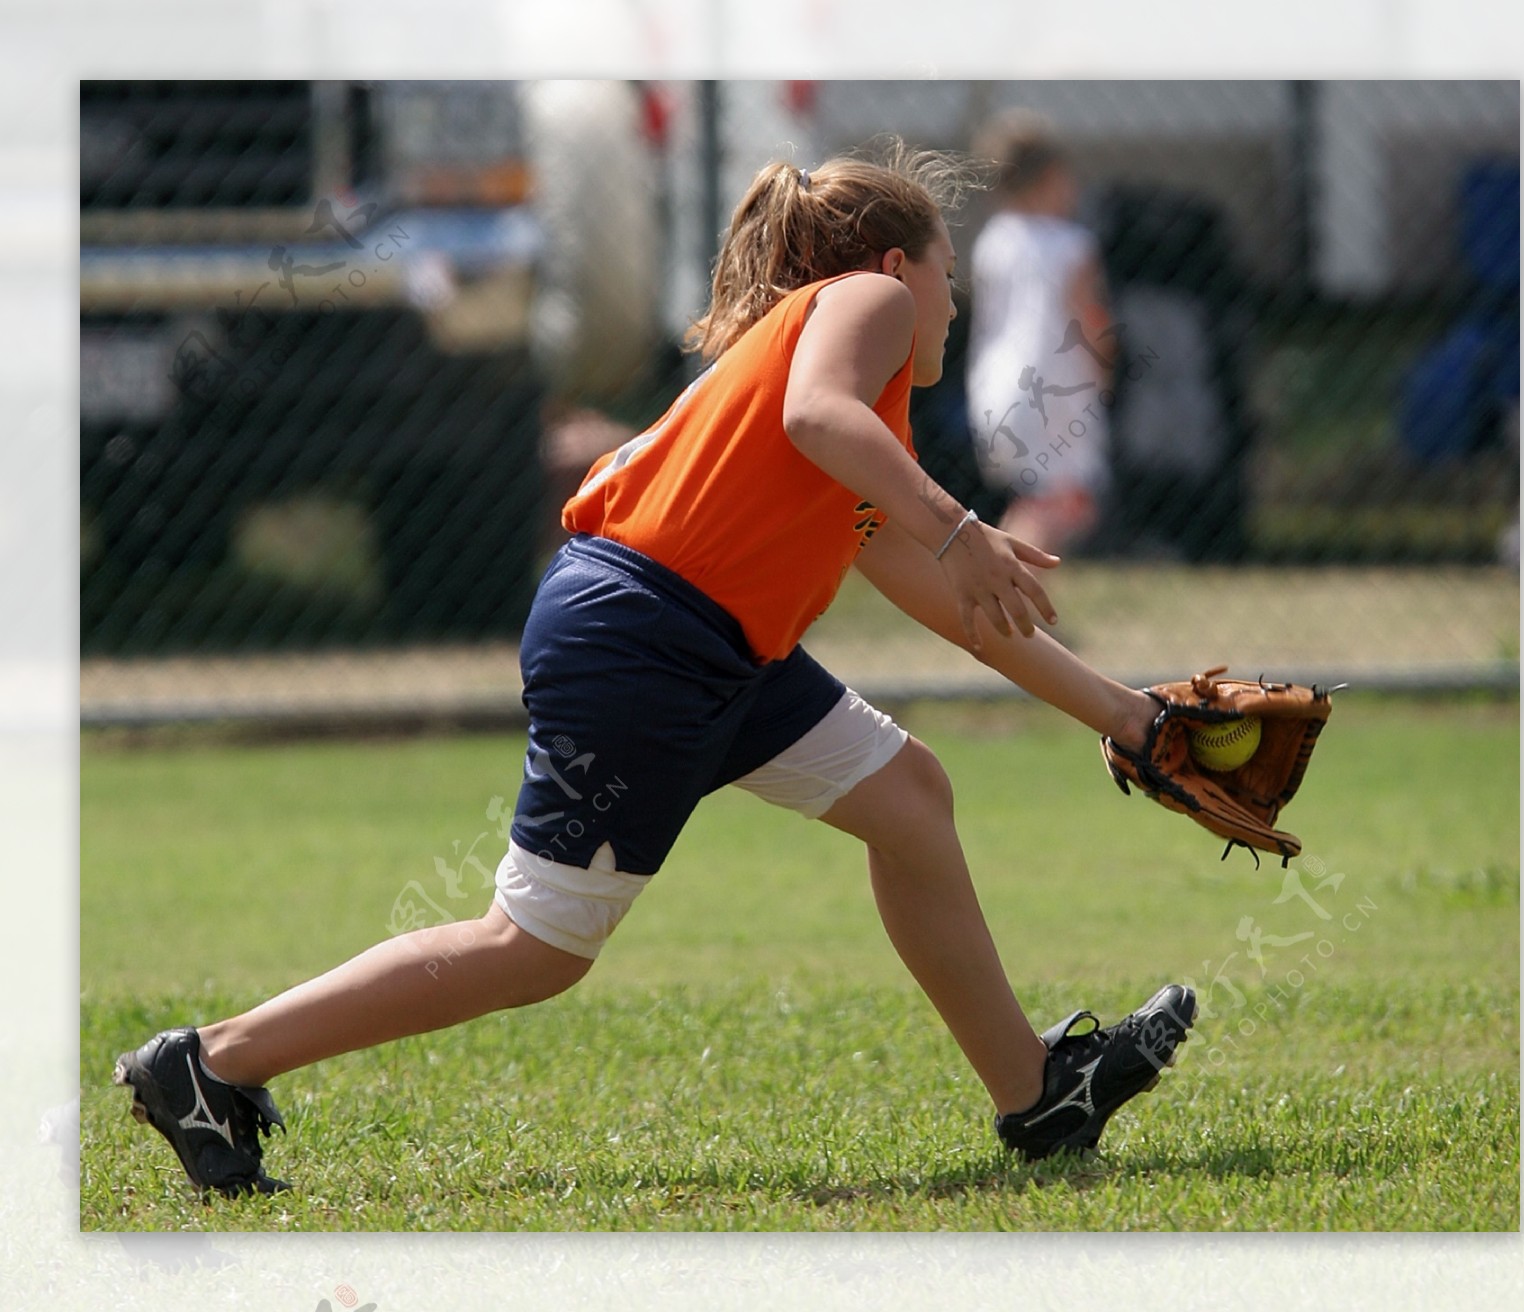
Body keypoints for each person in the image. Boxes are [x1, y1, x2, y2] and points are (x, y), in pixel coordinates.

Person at [113, 142, 1194, 1197]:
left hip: (709, 643)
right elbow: (830, 430)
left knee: (910, 796)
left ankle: (1036, 1093)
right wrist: (961, 524)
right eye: (946, 273)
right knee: (532, 947)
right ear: (893, 266)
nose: (949, 303)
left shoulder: (844, 407)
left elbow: (965, 610)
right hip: (649, 639)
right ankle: (209, 1062)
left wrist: (1128, 716)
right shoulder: (866, 310)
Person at [966, 111, 1118, 555]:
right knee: (1068, 501)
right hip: (1055, 387)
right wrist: (1106, 365)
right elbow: (1090, 317)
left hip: (996, 385)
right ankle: (1016, 609)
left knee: (1036, 501)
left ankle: (1010, 599)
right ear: (1051, 177)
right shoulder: (1072, 245)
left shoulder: (993, 240)